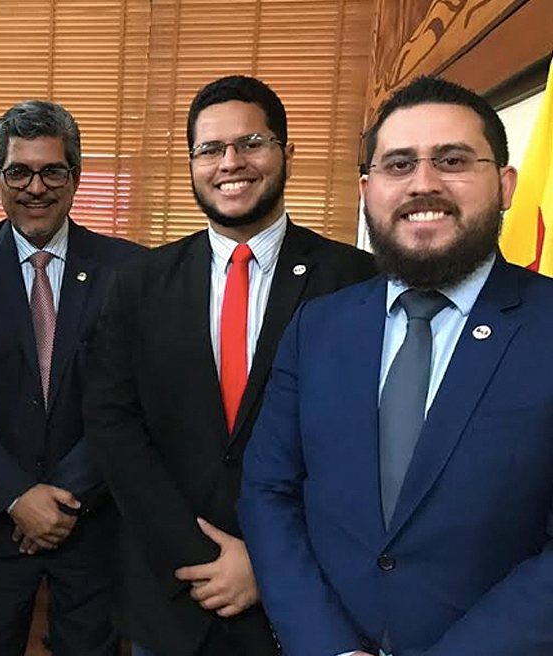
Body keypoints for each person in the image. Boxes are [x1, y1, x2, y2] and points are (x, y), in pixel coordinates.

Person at [239, 75, 553, 656]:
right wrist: (326, 643)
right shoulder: (318, 327)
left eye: (453, 160)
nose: (424, 184)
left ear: (506, 184)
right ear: (367, 189)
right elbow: (268, 490)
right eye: (399, 165)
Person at [83, 75, 376, 656]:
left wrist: (268, 563)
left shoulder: (357, 281)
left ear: (287, 153)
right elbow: (112, 424)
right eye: (210, 149)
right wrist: (201, 557)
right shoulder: (138, 283)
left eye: (251, 143)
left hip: (301, 599)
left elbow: (360, 447)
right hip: (173, 591)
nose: (230, 163)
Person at [0, 100, 142, 656]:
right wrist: (15, 495)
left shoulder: (128, 272)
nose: (36, 187)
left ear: (75, 177)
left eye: (52, 170)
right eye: (19, 171)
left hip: (91, 521)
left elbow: (131, 399)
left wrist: (63, 500)